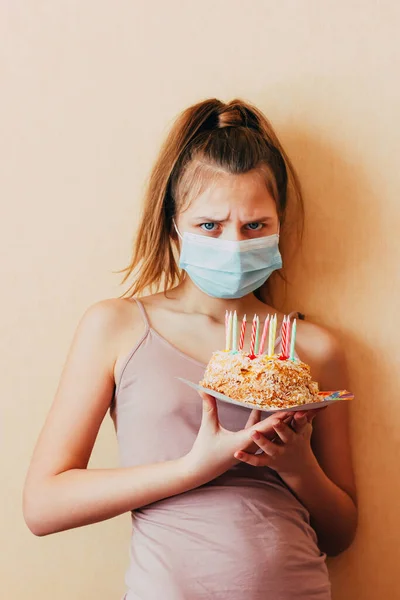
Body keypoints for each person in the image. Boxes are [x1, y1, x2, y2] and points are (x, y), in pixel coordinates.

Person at [23, 98, 357, 599]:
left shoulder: (313, 347)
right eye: (210, 225)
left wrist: (296, 465)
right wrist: (191, 468)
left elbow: (341, 533)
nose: (233, 244)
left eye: (255, 226)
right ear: (174, 227)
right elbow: (43, 506)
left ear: (279, 226)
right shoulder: (117, 327)